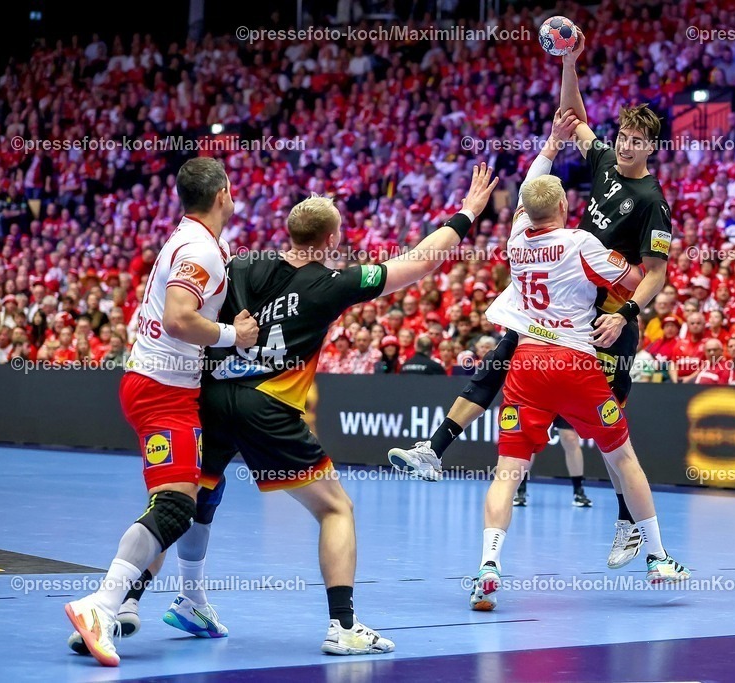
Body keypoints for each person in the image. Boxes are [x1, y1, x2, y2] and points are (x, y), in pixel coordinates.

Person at [88, 165, 497, 657]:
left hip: (211, 399)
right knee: (336, 508)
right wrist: (468, 212)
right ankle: (343, 626)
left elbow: (188, 312)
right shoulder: (334, 282)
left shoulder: (234, 265)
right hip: (270, 408)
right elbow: (419, 263)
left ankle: (125, 602)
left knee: (188, 502)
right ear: (329, 239)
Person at [391, 34, 674, 569]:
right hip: (568, 299)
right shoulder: (606, 166)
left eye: (638, 140)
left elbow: (655, 273)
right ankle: (435, 450)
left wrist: (628, 313)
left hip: (608, 315)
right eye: (624, 136)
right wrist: (569, 61)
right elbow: (571, 114)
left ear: (652, 147)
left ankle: (627, 526)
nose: (627, 145)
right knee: (503, 357)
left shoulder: (652, 203)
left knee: (615, 437)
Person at [469, 150, 687, 612]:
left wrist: (548, 149)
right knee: (623, 457)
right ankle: (657, 557)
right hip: (574, 360)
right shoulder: (581, 243)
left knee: (508, 470)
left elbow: (532, 189)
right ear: (566, 208)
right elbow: (636, 278)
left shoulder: (515, 242)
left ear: (525, 211)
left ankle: (488, 565)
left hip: (527, 363)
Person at [64, 157, 259, 667]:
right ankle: (101, 606)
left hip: (159, 383)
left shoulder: (195, 239)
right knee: (175, 509)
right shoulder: (199, 248)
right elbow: (178, 318)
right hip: (162, 390)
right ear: (223, 194)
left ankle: (128, 604)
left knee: (173, 506)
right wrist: (231, 336)